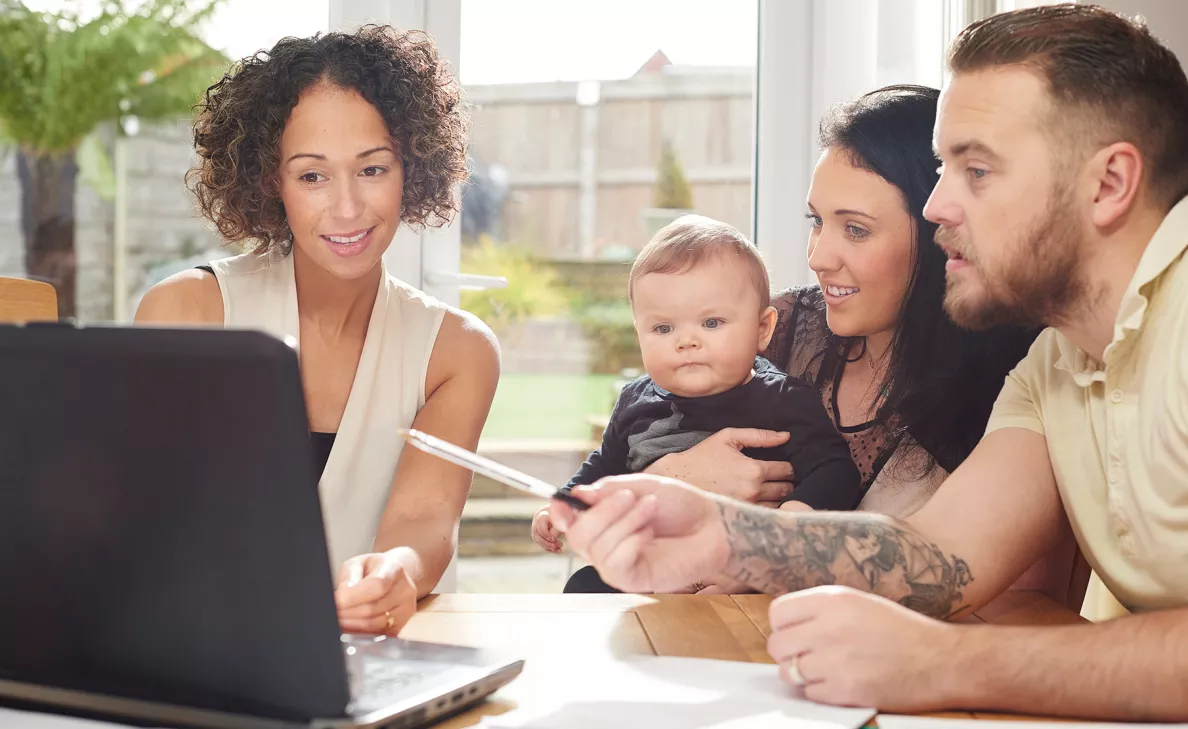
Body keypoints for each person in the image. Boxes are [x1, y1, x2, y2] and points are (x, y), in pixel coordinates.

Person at [550, 5, 1188, 719]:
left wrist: (946, 662)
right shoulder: (1055, 362)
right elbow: (943, 555)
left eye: (976, 169)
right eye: (945, 169)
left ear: (1108, 184)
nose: (938, 204)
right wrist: (724, 536)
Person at [135, 26, 499, 637]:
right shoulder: (187, 312)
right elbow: (142, 517)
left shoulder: (457, 352)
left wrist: (397, 573)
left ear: (413, 169)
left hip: (361, 658)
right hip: (195, 643)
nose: (348, 207)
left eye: (373, 168)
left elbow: (425, 520)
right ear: (269, 182)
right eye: (311, 176)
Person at [633, 86, 1064, 597]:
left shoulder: (1019, 382)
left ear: (940, 234)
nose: (818, 257)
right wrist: (673, 473)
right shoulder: (780, 327)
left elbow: (1016, 601)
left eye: (855, 230)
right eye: (817, 221)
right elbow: (643, 429)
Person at [531, 216, 861, 592]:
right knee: (584, 587)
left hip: (742, 575)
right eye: (663, 328)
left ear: (761, 330)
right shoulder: (635, 401)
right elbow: (604, 467)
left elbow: (836, 472)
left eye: (712, 323)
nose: (686, 341)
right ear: (638, 332)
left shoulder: (783, 400)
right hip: (649, 571)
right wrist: (564, 506)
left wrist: (784, 527)